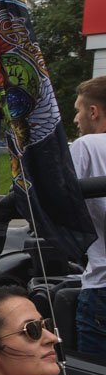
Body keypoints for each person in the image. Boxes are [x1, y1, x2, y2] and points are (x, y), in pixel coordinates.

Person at [72, 76, 106, 358]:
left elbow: (57, 200)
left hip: (102, 287)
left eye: (78, 110)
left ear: (93, 112)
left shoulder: (87, 146)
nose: (75, 118)